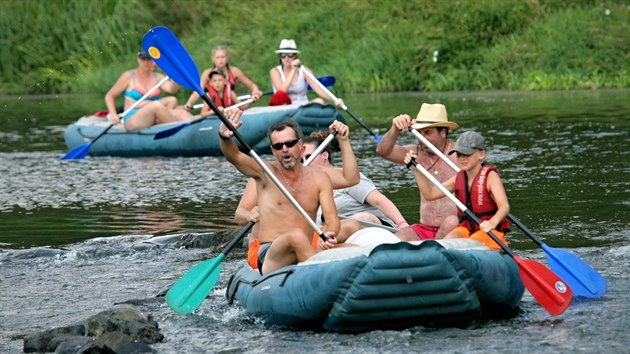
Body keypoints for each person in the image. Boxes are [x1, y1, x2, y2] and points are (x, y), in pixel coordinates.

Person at [220, 114, 342, 275]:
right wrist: (225, 138)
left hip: (306, 246)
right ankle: (322, 275)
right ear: (273, 151)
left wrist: (329, 234)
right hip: (270, 253)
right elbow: (234, 156)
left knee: (351, 247)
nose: (284, 149)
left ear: (301, 145)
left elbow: (332, 220)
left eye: (289, 144)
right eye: (278, 146)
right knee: (296, 236)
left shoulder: (319, 178)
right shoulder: (264, 172)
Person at [403, 130, 511, 250]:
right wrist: (417, 170)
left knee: (472, 241)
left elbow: (504, 207)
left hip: (489, 231)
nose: (462, 159)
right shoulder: (459, 178)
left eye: (467, 154)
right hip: (466, 229)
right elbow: (430, 194)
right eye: (459, 154)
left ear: (481, 154)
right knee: (448, 241)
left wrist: (492, 222)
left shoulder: (490, 176)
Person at [376, 103, 460, 241]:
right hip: (425, 228)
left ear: (443, 132)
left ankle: (433, 249)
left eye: (428, 133)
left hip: (455, 227)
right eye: (419, 133)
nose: (422, 138)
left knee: (451, 221)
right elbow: (383, 151)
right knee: (397, 240)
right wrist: (394, 130)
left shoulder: (460, 154)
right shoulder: (415, 152)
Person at [303, 132, 408, 232]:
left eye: (308, 157)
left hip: (377, 227)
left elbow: (378, 200)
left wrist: (402, 224)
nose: (304, 163)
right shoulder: (307, 189)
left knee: (361, 217)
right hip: (339, 234)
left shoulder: (347, 177)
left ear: (325, 155)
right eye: (301, 160)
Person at [105, 50, 192, 131]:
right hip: (133, 117)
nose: (147, 62)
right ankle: (178, 131)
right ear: (138, 60)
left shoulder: (157, 77)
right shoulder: (129, 76)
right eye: (144, 59)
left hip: (153, 115)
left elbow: (172, 89)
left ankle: (191, 132)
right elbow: (109, 96)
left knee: (181, 111)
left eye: (149, 59)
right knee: (156, 105)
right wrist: (114, 115)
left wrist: (175, 75)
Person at [184, 45, 263, 111]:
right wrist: (189, 103)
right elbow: (198, 91)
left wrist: (255, 92)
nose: (220, 60)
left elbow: (252, 85)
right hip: (214, 111)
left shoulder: (235, 71)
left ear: (227, 58)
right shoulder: (207, 73)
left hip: (231, 108)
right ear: (213, 59)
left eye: (223, 57)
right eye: (218, 57)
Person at [269, 39, 344, 107]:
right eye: (283, 55)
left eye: (290, 54)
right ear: (280, 57)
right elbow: (281, 91)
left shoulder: (304, 70)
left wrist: (335, 100)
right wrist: (293, 70)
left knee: (319, 101)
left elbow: (318, 88)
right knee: (283, 104)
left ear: (295, 56)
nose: (286, 58)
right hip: (284, 106)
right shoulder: (275, 71)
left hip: (303, 106)